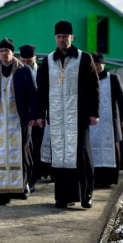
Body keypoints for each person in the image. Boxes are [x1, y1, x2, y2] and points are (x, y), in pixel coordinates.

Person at [36, 20, 100, 209]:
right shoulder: (48, 60)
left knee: (81, 155)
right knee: (60, 157)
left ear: (71, 37)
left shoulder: (84, 57)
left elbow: (93, 88)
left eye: (65, 36)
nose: (62, 39)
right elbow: (41, 89)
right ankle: (62, 197)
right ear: (55, 38)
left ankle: (86, 195)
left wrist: (94, 113)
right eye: (59, 36)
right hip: (56, 117)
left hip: (78, 116)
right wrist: (39, 114)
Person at [0, 38, 36, 206]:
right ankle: (2, 194)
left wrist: (33, 116)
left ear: (13, 53)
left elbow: (33, 94)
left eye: (7, 51)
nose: (4, 54)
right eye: (1, 51)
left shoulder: (24, 70)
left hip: (18, 120)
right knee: (0, 156)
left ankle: (21, 187)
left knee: (20, 153)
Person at [90, 53, 123, 187]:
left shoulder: (113, 78)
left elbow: (122, 98)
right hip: (92, 122)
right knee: (92, 149)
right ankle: (94, 179)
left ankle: (108, 180)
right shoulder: (87, 78)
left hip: (110, 123)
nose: (97, 68)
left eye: (98, 65)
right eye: (94, 65)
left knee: (111, 149)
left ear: (104, 65)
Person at [19, 43, 49, 189]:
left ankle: (34, 178)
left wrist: (40, 116)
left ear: (35, 59)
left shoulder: (42, 72)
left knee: (37, 149)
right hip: (24, 119)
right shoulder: (18, 72)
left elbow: (44, 96)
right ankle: (27, 179)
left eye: (29, 62)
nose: (26, 65)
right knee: (25, 149)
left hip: (40, 118)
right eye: (23, 62)